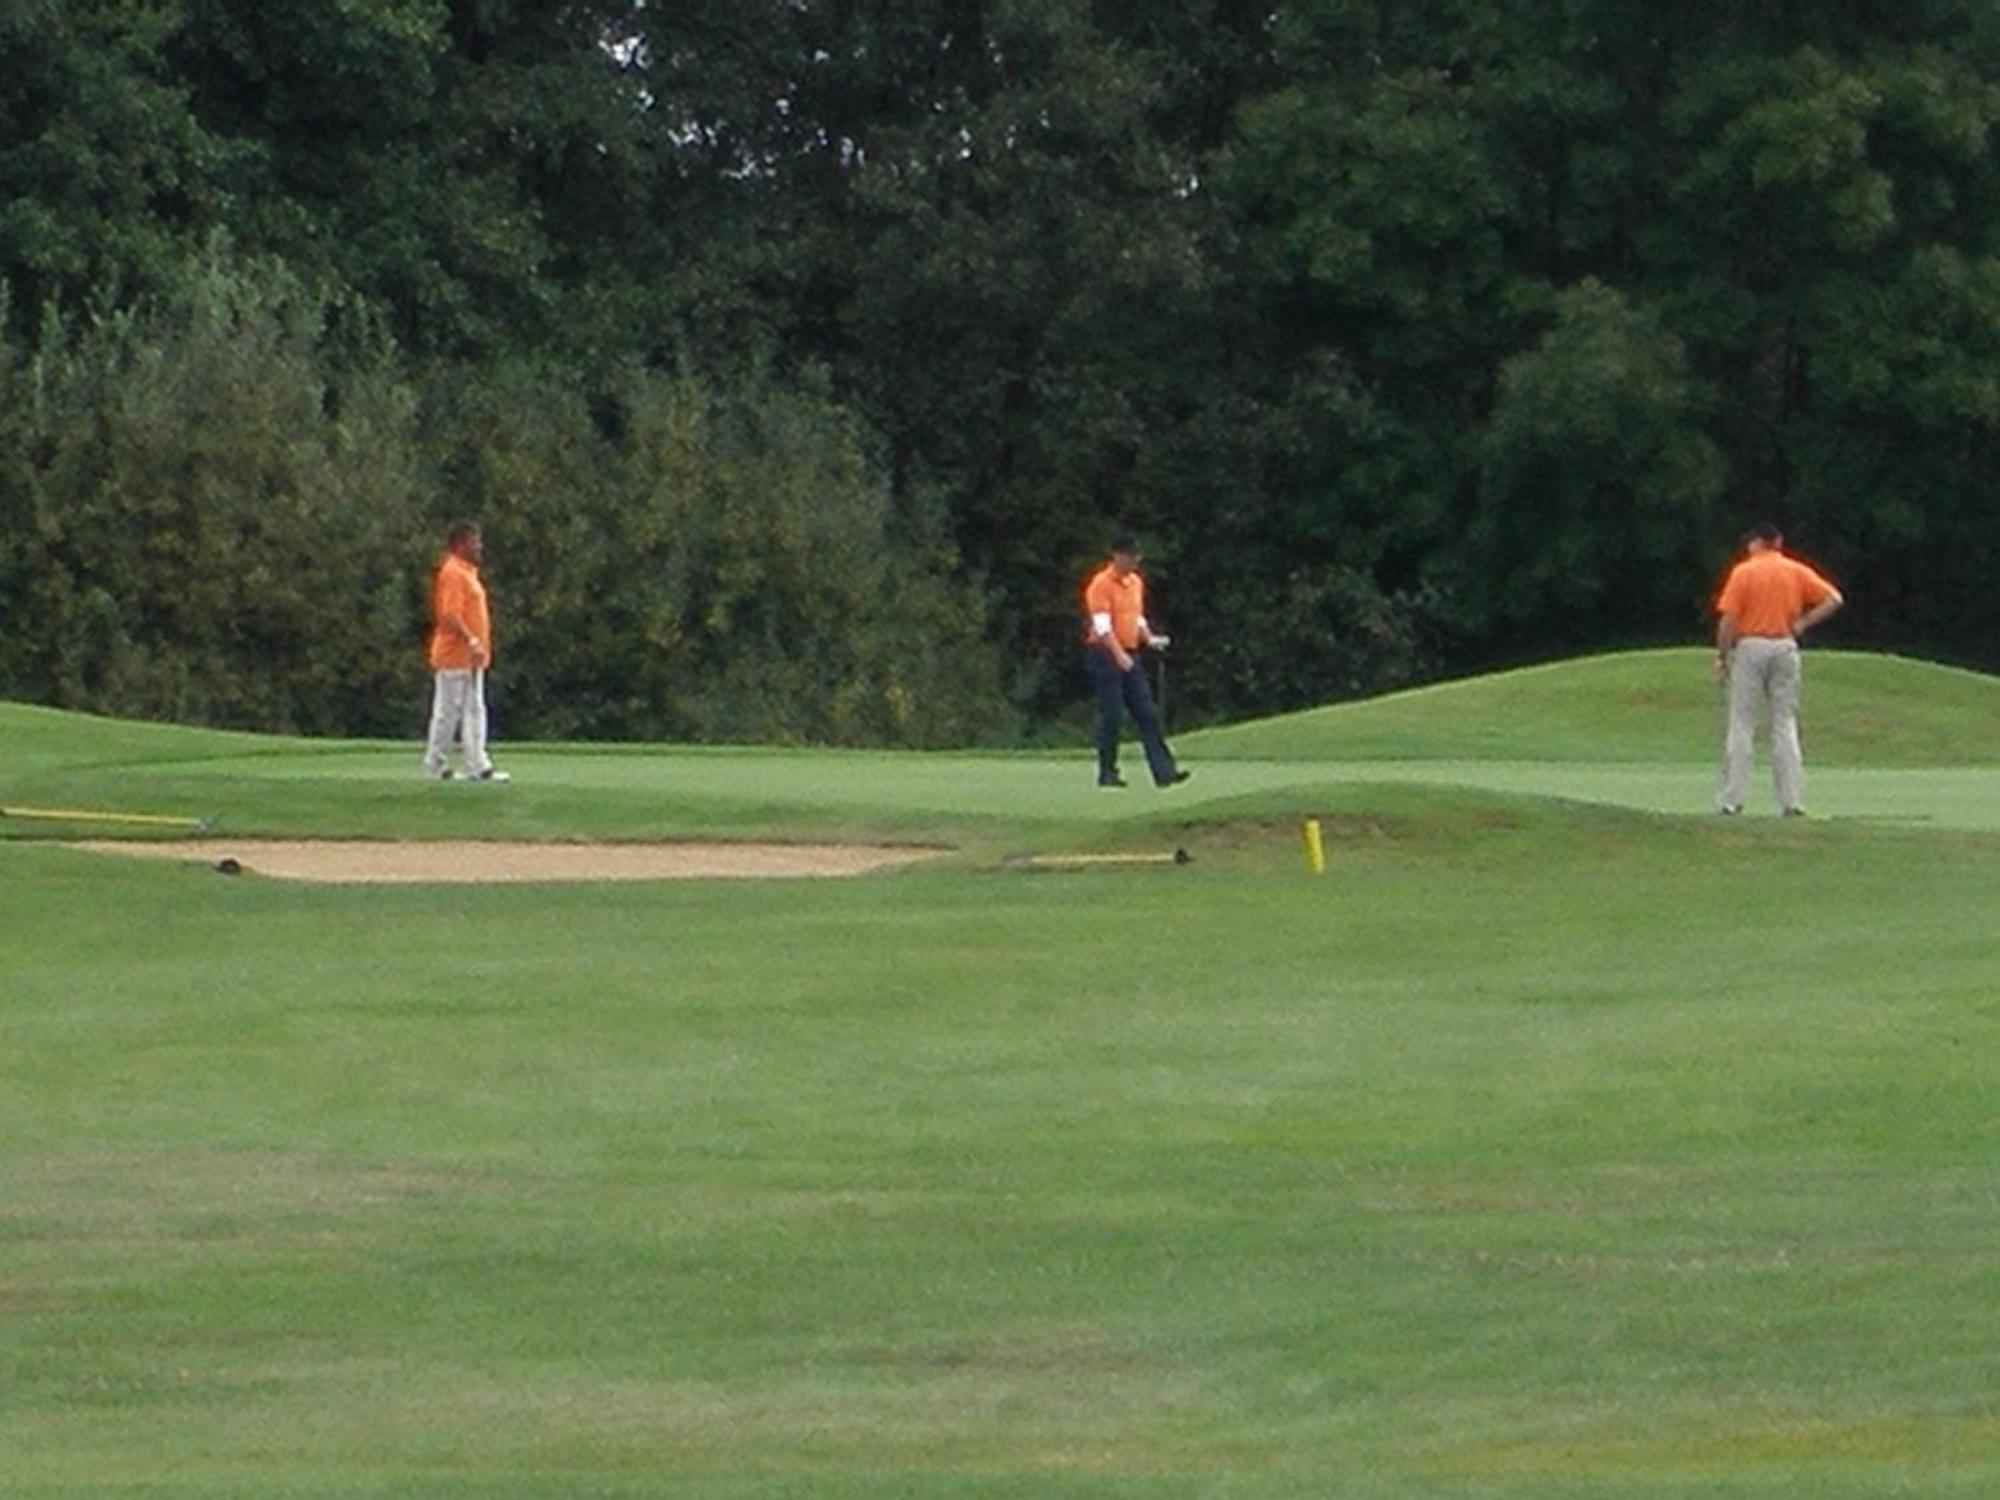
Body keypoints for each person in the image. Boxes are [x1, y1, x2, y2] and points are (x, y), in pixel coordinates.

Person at [1713, 523, 1843, 816]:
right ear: (1779, 542)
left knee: (1742, 723)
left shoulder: (1743, 572)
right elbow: (1833, 599)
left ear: (1757, 543)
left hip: (1751, 646)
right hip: (1785, 646)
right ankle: (1791, 801)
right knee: (1784, 723)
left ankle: (1733, 799)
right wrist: (1803, 623)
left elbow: (1728, 620)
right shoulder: (1794, 570)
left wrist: (1722, 656)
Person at [1081, 534, 1190, 789]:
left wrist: (1149, 639)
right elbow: (1102, 626)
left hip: (1130, 653)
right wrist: (1118, 656)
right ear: (1117, 556)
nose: (1134, 561)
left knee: (1147, 713)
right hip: (1104, 654)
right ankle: (1107, 772)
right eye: (1130, 556)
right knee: (1112, 714)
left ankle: (1164, 772)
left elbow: (1136, 617)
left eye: (1137, 557)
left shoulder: (1135, 583)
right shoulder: (1100, 585)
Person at [423, 521, 510, 783]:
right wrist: (470, 639)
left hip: (471, 658)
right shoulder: (453, 572)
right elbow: (449, 614)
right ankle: (436, 763)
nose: (479, 547)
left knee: (473, 709)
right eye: (475, 542)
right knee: (448, 711)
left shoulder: (467, 572)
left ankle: (476, 764)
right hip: (455, 655)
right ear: (460, 544)